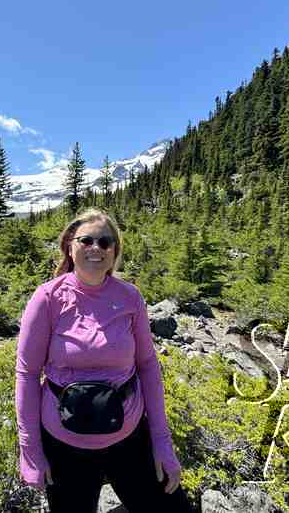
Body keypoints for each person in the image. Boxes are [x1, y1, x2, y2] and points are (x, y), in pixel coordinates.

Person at [15, 209, 194, 512]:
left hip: (129, 435)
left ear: (114, 252)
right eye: (86, 240)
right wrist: (30, 450)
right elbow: (27, 373)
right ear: (69, 247)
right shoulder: (47, 298)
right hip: (64, 443)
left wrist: (162, 443)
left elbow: (148, 366)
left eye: (105, 242)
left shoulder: (130, 297)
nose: (95, 248)